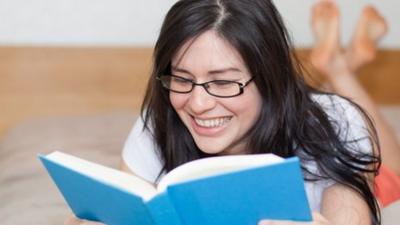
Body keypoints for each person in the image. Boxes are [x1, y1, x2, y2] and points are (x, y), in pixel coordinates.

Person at [65, 0, 381, 224]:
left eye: (224, 82)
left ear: (270, 77)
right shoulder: (158, 123)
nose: (198, 104)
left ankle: (340, 68)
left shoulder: (336, 120)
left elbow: (349, 215)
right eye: (182, 79)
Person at [309, 0, 400, 208]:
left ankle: (343, 64)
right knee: (392, 170)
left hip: (313, 166)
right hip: (345, 183)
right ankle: (341, 68)